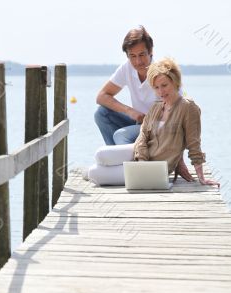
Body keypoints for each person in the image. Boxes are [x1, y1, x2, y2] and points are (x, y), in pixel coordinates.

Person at [88, 58, 220, 187]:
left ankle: (97, 173)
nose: (161, 91)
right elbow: (143, 136)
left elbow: (194, 143)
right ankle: (104, 171)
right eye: (156, 87)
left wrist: (201, 177)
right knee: (100, 154)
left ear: (175, 82)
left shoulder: (188, 108)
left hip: (157, 168)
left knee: (94, 173)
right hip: (140, 157)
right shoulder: (156, 106)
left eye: (164, 85)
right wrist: (141, 161)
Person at [94, 25, 193, 182]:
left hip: (159, 130)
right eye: (132, 56)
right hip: (138, 122)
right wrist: (130, 111)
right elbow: (101, 96)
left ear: (151, 51)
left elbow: (179, 119)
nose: (138, 61)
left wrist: (178, 161)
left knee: (121, 134)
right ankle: (121, 163)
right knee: (101, 113)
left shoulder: (163, 72)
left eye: (142, 55)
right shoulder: (126, 68)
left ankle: (127, 167)